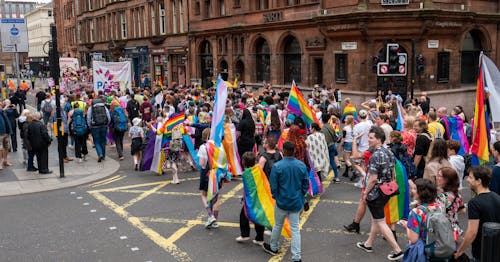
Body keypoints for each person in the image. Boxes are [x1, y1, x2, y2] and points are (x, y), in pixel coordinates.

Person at [356, 126, 403, 261]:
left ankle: (397, 250)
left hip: (376, 193)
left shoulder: (376, 155)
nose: (368, 140)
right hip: (387, 190)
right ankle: (368, 244)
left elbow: (373, 179)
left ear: (378, 140)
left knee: (381, 222)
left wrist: (365, 193)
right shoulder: (388, 151)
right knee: (376, 219)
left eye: (371, 138)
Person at [262, 141, 309, 262]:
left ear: (283, 151)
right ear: (294, 151)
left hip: (281, 201)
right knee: (295, 229)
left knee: (277, 225)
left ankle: (274, 247)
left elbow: (273, 186)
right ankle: (296, 257)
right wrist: (301, 195)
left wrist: (276, 196)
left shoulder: (277, 166)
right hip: (296, 201)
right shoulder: (301, 166)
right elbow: (305, 185)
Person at [454, 166, 500, 261]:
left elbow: (472, 232)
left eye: (470, 177)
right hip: (496, 249)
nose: (467, 180)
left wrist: (460, 251)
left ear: (478, 181)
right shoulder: (497, 197)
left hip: (482, 251)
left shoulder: (474, 203)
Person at [399, 179, 439, 251]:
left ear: (422, 193)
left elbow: (413, 239)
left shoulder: (416, 212)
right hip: (435, 246)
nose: (412, 190)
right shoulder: (437, 207)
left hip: (422, 249)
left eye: (414, 188)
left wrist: (407, 226)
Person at [236, 152, 266, 245]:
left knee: (244, 215)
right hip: (260, 198)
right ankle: (259, 238)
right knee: (259, 217)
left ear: (243, 162)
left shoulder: (246, 174)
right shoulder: (258, 170)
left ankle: (245, 235)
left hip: (251, 199)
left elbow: (247, 189)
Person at [436, 167, 465, 237]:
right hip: (456, 229)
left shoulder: (442, 197)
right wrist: (452, 213)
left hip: (444, 231)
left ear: (446, 180)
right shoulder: (457, 195)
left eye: (439, 176)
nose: (437, 177)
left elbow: (439, 216)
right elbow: (463, 210)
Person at [87, 96, 111, 162]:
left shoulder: (90, 108)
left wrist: (90, 126)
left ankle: (99, 154)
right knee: (103, 141)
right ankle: (103, 155)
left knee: (96, 141)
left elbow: (88, 118)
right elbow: (108, 117)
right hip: (104, 125)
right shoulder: (104, 107)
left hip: (94, 127)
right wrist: (107, 124)